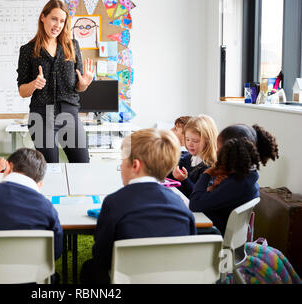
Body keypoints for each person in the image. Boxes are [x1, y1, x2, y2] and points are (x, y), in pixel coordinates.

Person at [80, 129, 196, 284]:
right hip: (171, 278)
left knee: (89, 268)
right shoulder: (180, 205)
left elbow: (102, 255)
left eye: (122, 161)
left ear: (135, 165)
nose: (121, 166)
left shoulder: (114, 203)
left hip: (126, 279)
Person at [17, 0, 95, 163]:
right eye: (54, 19)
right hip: (41, 116)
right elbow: (22, 91)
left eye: (62, 21)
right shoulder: (27, 50)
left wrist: (84, 84)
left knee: (82, 164)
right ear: (43, 17)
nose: (57, 25)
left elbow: (78, 86)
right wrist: (34, 84)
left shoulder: (72, 46)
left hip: (70, 113)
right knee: (51, 169)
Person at [189, 124, 279, 235]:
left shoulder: (237, 183)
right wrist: (214, 188)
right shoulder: (248, 176)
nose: (216, 152)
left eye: (219, 148)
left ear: (231, 152)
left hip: (214, 235)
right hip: (219, 228)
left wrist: (207, 173)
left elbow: (195, 204)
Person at [170, 114, 218, 197]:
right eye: (187, 139)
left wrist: (184, 180)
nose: (189, 144)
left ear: (208, 141)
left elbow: (200, 196)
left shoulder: (210, 167)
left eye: (195, 141)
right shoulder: (187, 158)